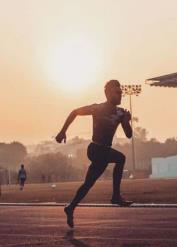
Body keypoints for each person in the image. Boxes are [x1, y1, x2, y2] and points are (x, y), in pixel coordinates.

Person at [55, 79, 133, 228]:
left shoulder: (120, 112)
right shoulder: (97, 108)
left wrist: (126, 121)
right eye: (117, 93)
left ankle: (70, 207)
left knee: (88, 184)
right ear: (108, 93)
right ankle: (115, 196)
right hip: (95, 149)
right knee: (121, 158)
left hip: (104, 152)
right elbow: (74, 112)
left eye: (121, 93)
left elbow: (129, 135)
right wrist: (62, 131)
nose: (120, 95)